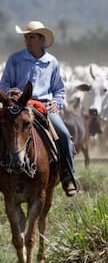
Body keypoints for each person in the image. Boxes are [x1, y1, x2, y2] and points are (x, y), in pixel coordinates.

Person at [0, 20, 79, 197]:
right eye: (26, 37)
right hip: (18, 107)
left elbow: (59, 89)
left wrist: (56, 103)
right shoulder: (15, 59)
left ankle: (68, 177)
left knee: (64, 134)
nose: (27, 41)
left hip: (43, 107)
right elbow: (4, 84)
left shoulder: (51, 62)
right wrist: (12, 94)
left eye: (31, 37)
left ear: (41, 40)